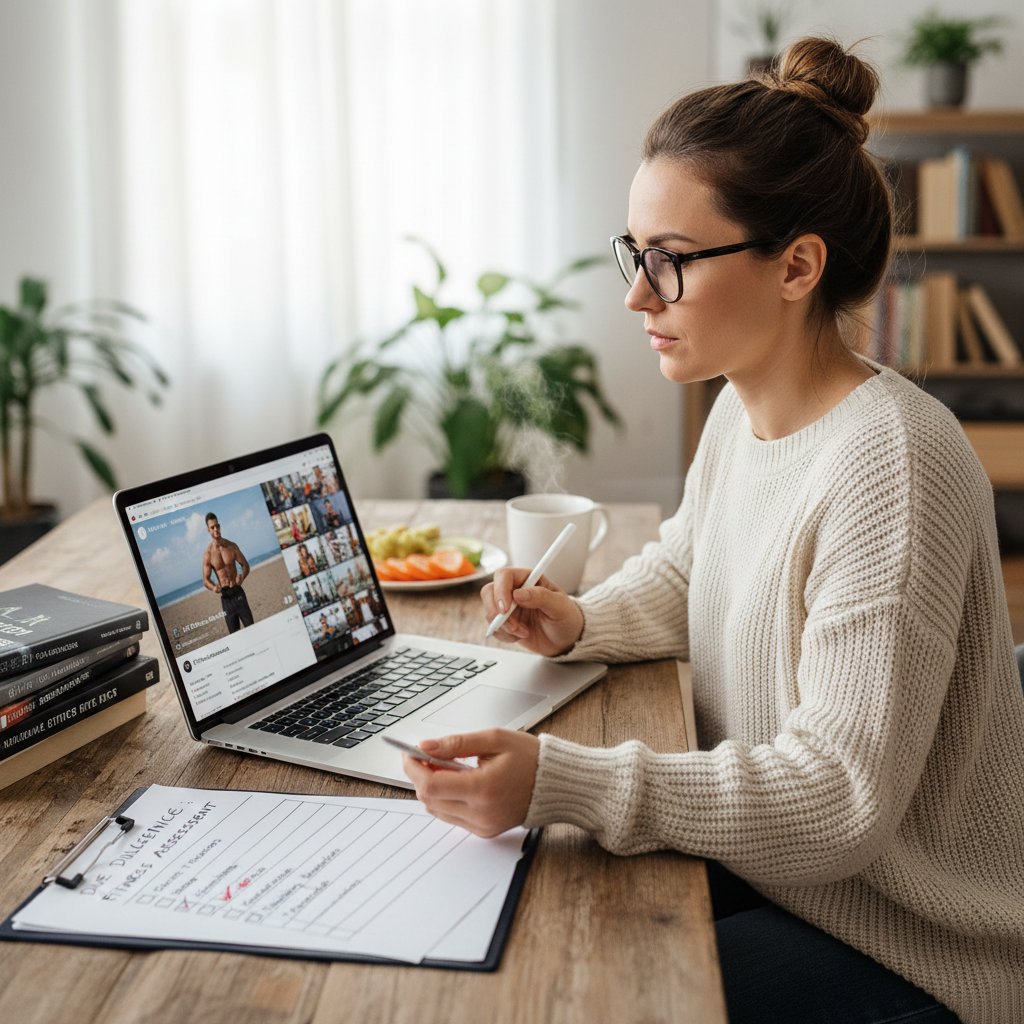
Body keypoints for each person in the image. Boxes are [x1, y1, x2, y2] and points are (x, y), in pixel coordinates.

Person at [400, 37, 1024, 1024]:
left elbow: (838, 797)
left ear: (798, 266)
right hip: (782, 874)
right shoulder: (741, 405)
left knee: (584, 989)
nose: (636, 294)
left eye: (672, 261)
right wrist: (581, 620)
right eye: (635, 253)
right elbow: (693, 568)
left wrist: (565, 780)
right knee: (524, 922)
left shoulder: (892, 465)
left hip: (906, 940)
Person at [201, 512, 254, 633]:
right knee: (235, 636)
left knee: (252, 629)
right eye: (212, 527)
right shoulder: (208, 554)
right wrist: (214, 588)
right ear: (208, 530)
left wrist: (242, 577)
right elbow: (206, 580)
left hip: (238, 593)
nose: (216, 529)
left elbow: (245, 566)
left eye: (217, 526)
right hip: (226, 599)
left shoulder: (231, 546)